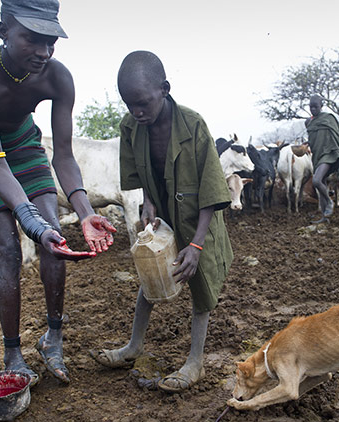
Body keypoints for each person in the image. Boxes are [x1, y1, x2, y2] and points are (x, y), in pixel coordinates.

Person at [0, 0, 116, 385]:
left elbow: (65, 157)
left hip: (24, 145)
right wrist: (28, 218)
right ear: (3, 31)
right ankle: (12, 354)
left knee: (53, 233)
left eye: (51, 42)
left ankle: (52, 338)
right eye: (31, 40)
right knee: (8, 246)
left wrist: (86, 210)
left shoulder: (57, 78)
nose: (43, 52)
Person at [89, 51, 233, 393]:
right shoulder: (130, 127)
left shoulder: (193, 125)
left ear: (164, 89)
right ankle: (133, 346)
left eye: (143, 103)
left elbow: (212, 191)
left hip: (199, 219)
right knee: (150, 276)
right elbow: (140, 177)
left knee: (199, 284)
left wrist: (197, 245)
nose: (137, 112)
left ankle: (195, 361)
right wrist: (149, 205)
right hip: (165, 216)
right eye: (129, 105)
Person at [305, 95, 339, 223]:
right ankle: (324, 217)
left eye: (316, 107)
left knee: (316, 181)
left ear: (321, 106)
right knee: (320, 183)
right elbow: (313, 139)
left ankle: (329, 201)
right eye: (311, 107)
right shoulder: (309, 122)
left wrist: (336, 150)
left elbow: (336, 135)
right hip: (316, 155)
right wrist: (306, 144)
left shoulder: (329, 118)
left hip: (329, 153)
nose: (313, 109)